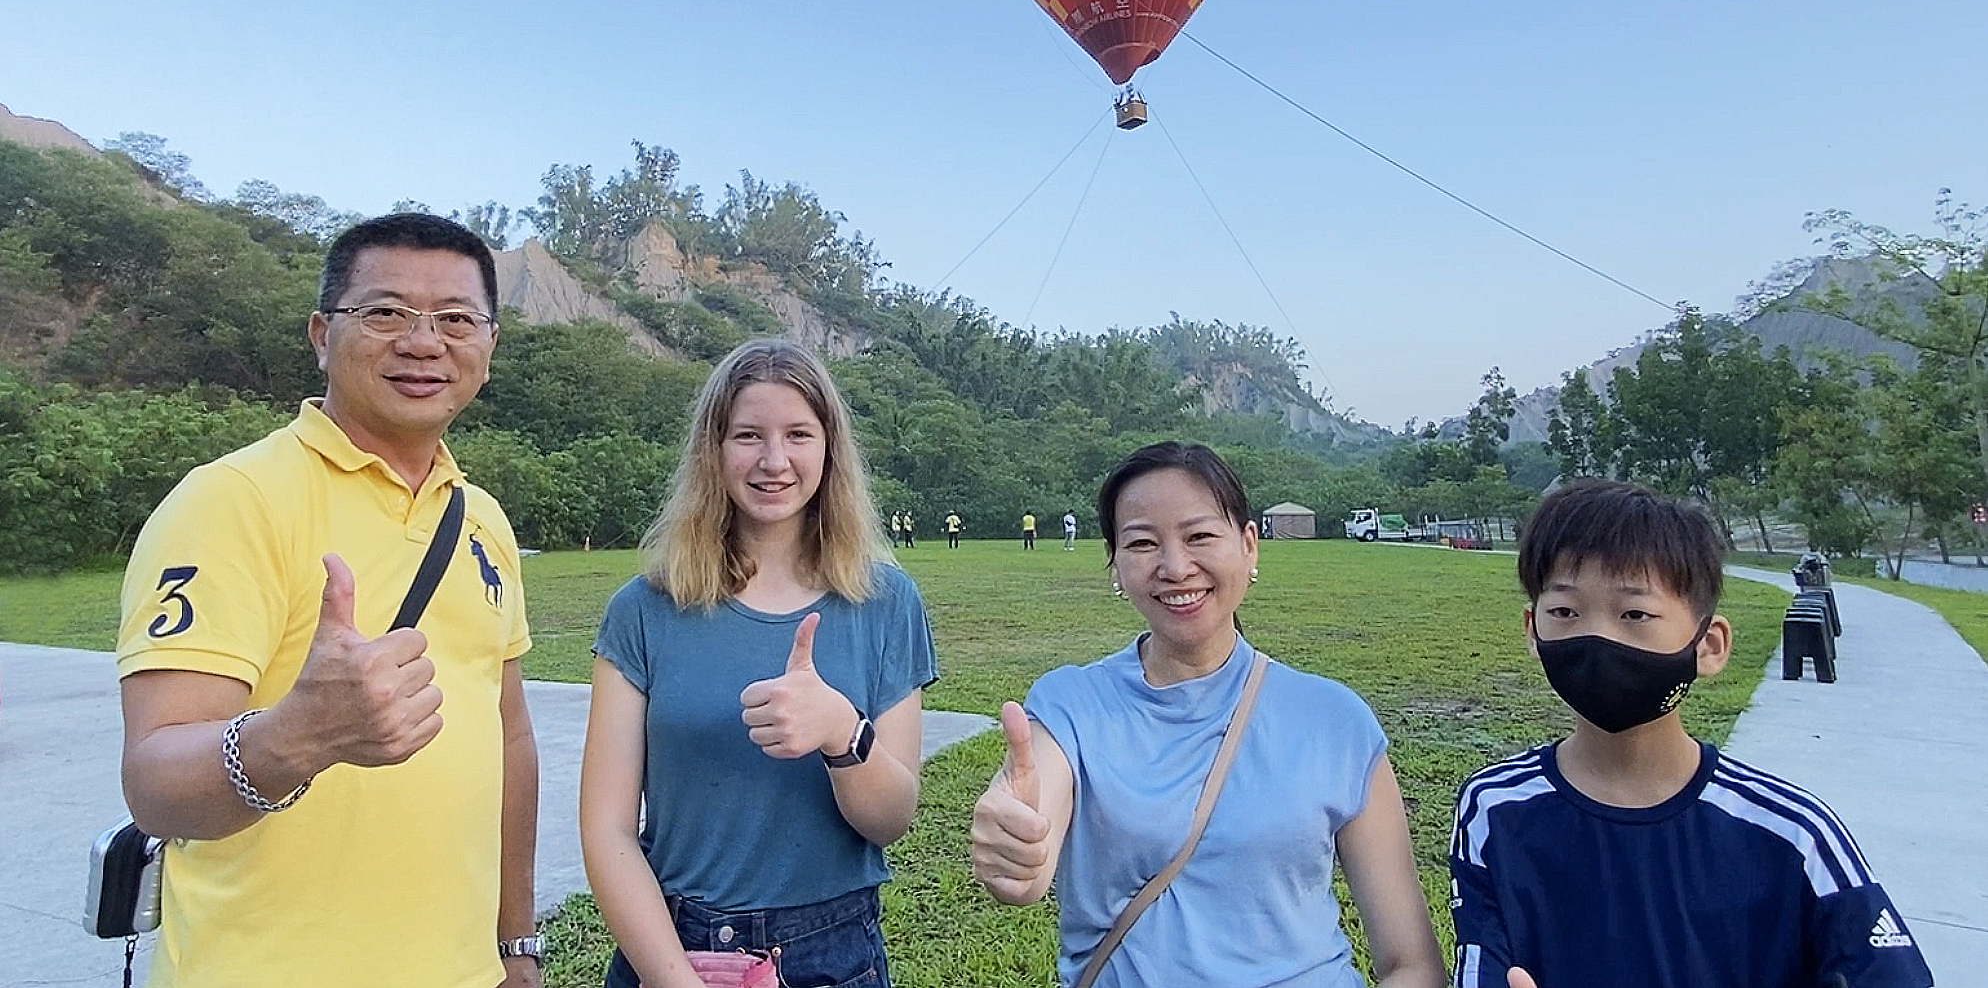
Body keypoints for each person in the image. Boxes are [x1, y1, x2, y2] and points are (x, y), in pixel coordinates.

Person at [115, 212, 541, 988]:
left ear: (489, 344)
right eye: (383, 313)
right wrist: (296, 737)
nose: (423, 342)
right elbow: (154, 785)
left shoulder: (481, 519)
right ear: (321, 334)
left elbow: (508, 737)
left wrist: (515, 946)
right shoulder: (231, 501)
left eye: (455, 319)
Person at [971, 442, 1445, 988]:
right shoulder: (1070, 705)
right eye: (1143, 543)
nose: (1175, 567)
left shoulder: (1336, 722)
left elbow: (1411, 962)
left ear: (1248, 546)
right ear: (1116, 564)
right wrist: (1018, 852)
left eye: (1199, 537)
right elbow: (1035, 815)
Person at [1449, 480, 1934, 988]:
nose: (1597, 639)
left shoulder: (1794, 833)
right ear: (1533, 630)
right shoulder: (1494, 808)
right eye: (1565, 612)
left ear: (1709, 645)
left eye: (1635, 614)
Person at [581, 338, 938, 988]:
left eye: (799, 434)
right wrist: (672, 978)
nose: (774, 460)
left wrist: (841, 731)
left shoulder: (887, 602)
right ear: (713, 450)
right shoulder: (644, 609)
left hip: (831, 954)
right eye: (748, 435)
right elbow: (606, 829)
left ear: (830, 449)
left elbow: (891, 820)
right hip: (670, 945)